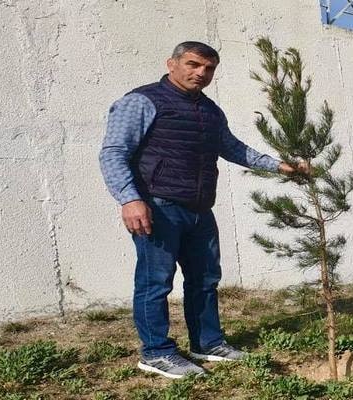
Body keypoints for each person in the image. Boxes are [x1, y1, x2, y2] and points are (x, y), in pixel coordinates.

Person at [99, 41, 308, 378]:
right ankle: (156, 353)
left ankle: (207, 343)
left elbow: (232, 148)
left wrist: (278, 166)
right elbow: (113, 151)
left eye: (208, 68)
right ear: (172, 63)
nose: (201, 73)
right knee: (156, 282)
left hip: (199, 208)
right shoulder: (141, 101)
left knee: (205, 279)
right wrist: (129, 198)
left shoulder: (209, 110)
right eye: (193, 65)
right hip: (157, 206)